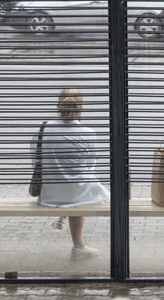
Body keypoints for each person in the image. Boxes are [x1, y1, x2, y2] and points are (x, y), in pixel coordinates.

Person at [34, 88, 109, 261]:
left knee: (73, 186)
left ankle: (64, 212)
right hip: (78, 192)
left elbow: (37, 159)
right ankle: (78, 247)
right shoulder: (89, 133)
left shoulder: (45, 129)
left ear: (57, 106)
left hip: (50, 194)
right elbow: (90, 164)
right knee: (83, 187)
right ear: (81, 107)